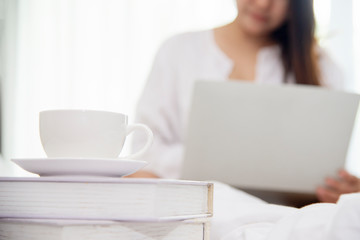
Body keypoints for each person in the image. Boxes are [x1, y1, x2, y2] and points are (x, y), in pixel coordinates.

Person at [129, 0, 360, 203]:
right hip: (190, 210)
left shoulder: (322, 67)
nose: (262, 4)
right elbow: (144, 152)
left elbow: (321, 165)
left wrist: (342, 190)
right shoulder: (179, 52)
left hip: (283, 218)